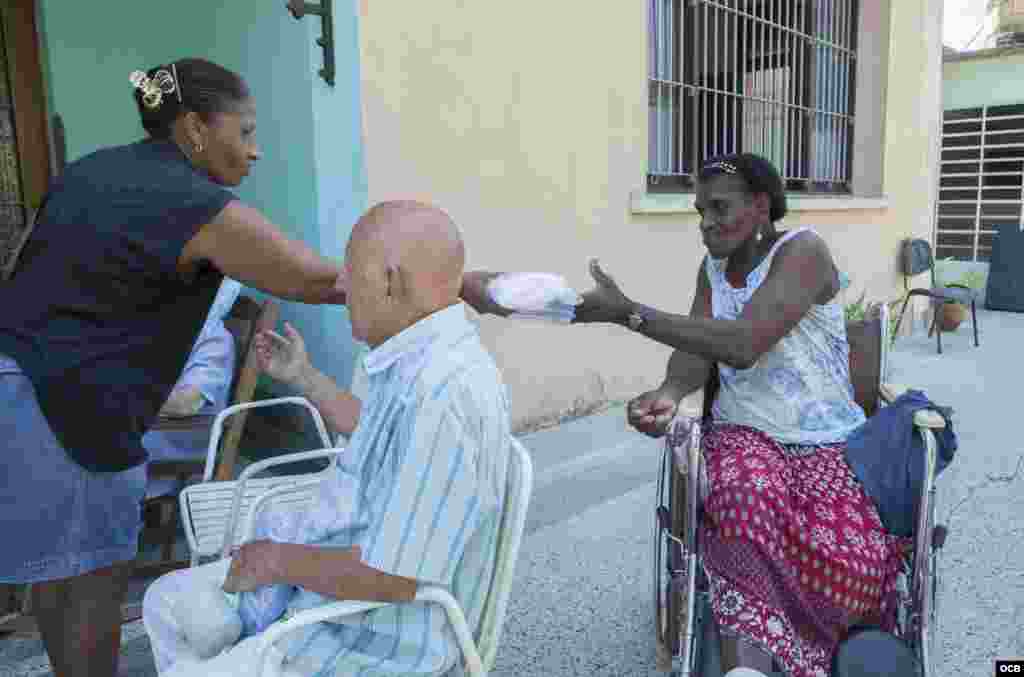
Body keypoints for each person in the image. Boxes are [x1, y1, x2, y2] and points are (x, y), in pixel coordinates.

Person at [475, 154, 905, 677]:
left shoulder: (803, 251)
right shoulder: (713, 268)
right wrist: (670, 390)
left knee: (849, 557)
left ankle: (817, 650)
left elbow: (744, 343)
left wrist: (630, 314)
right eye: (700, 210)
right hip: (746, 434)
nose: (706, 223)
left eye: (720, 208)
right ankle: (747, 666)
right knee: (741, 501)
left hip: (826, 440)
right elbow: (701, 347)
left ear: (761, 206)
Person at [0, 57, 352, 677]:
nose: (256, 151)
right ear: (193, 129)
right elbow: (318, 280)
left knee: (59, 576)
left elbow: (24, 269)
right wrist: (460, 285)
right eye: (244, 132)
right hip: (69, 410)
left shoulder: (94, 169)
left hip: (18, 382)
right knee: (90, 584)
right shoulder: (193, 203)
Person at [142, 200, 512, 677]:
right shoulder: (419, 359)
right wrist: (304, 377)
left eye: (350, 271)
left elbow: (393, 579)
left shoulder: (444, 392)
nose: (339, 285)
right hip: (328, 595)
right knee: (164, 602)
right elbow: (377, 434)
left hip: (369, 639)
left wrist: (278, 560)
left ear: (390, 282)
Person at [143, 278, 242, 499]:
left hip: (169, 447)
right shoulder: (163, 327)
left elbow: (186, 403)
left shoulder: (215, 341)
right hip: (142, 433)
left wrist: (121, 398)